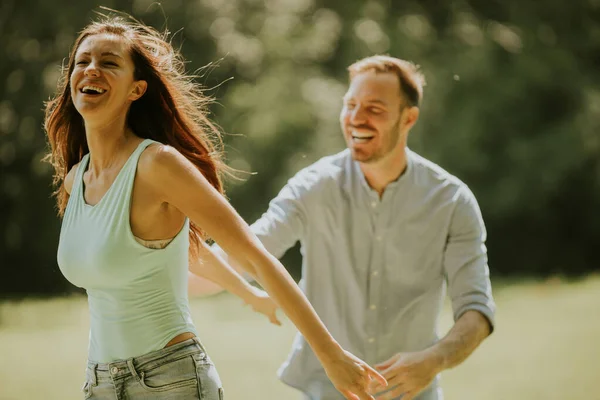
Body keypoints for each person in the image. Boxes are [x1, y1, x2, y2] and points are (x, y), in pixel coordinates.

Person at [44, 14, 387, 400]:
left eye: (109, 62)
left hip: (170, 380)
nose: (91, 69)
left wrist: (331, 354)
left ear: (136, 89)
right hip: (100, 383)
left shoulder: (158, 165)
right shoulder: (77, 179)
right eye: (83, 61)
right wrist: (248, 295)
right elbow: (171, 251)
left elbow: (256, 256)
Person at [194, 55, 496, 400]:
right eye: (350, 105)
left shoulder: (452, 201)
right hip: (325, 390)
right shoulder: (313, 186)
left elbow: (477, 309)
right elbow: (247, 253)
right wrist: (167, 273)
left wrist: (433, 360)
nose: (356, 118)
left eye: (375, 109)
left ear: (408, 118)